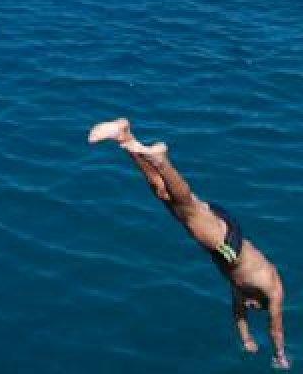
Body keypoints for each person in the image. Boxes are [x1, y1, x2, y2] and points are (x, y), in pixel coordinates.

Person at [88, 118, 291, 369]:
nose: (248, 305)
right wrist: (280, 355)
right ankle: (162, 160)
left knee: (162, 193)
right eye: (253, 306)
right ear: (262, 303)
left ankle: (126, 137)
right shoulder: (273, 290)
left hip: (226, 242)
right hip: (229, 245)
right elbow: (276, 327)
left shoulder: (243, 291)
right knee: (188, 209)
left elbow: (238, 314)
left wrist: (246, 338)